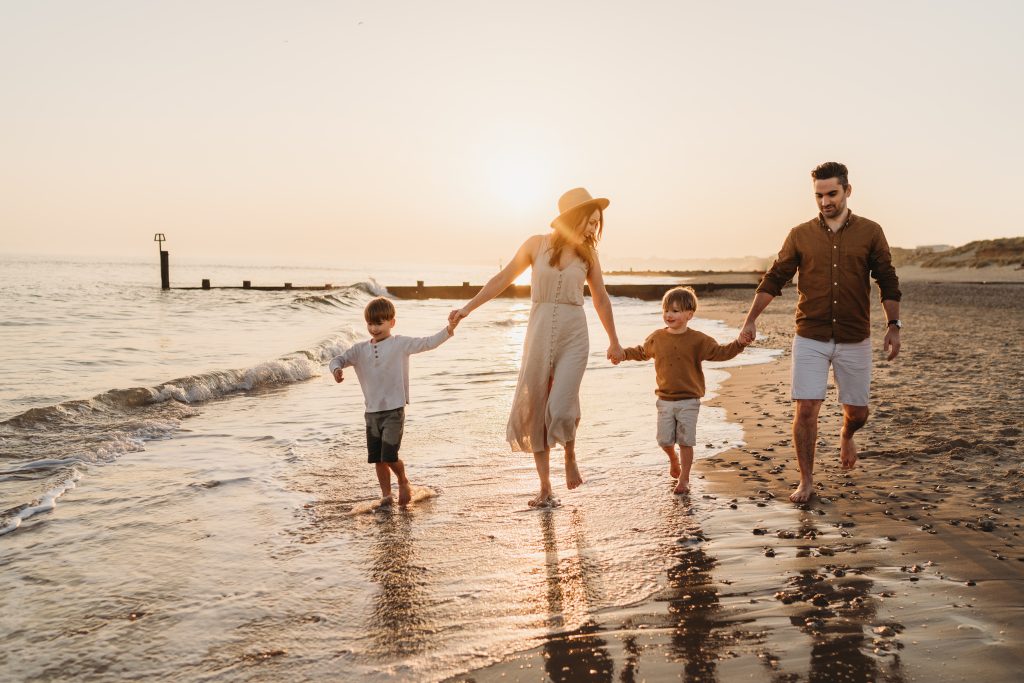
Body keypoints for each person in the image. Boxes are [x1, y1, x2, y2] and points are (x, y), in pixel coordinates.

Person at [448, 187, 624, 507]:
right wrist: (467, 308)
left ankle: (570, 453)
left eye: (597, 224)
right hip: (539, 334)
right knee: (536, 412)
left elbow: (600, 297)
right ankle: (545, 488)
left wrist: (614, 340)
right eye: (589, 221)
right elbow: (501, 279)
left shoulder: (589, 256)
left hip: (574, 335)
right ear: (573, 218)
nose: (593, 229)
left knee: (560, 404)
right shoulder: (535, 245)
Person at [739, 161, 902, 503]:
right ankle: (807, 481)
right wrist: (750, 319)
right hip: (810, 335)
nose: (825, 201)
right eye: (819, 195)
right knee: (806, 409)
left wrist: (893, 325)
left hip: (854, 335)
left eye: (832, 194)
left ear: (847, 191)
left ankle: (847, 433)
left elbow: (886, 279)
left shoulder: (870, 232)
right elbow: (775, 277)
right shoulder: (800, 234)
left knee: (857, 411)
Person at [614, 286, 748, 493]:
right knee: (664, 440)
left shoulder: (698, 340)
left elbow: (721, 353)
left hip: (689, 400)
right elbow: (641, 352)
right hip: (665, 400)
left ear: (689, 314)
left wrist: (739, 343)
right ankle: (672, 459)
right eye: (666, 310)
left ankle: (684, 479)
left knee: (686, 441)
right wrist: (622, 354)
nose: (669, 315)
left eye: (675, 311)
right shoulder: (657, 337)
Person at [330, 296, 458, 506]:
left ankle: (403, 480)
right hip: (371, 412)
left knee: (389, 455)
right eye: (370, 323)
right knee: (377, 459)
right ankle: (386, 495)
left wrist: (449, 328)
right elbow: (338, 359)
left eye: (379, 323)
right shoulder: (360, 350)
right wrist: (336, 370)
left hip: (394, 410)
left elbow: (428, 342)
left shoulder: (400, 344)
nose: (374, 328)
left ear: (392, 322)